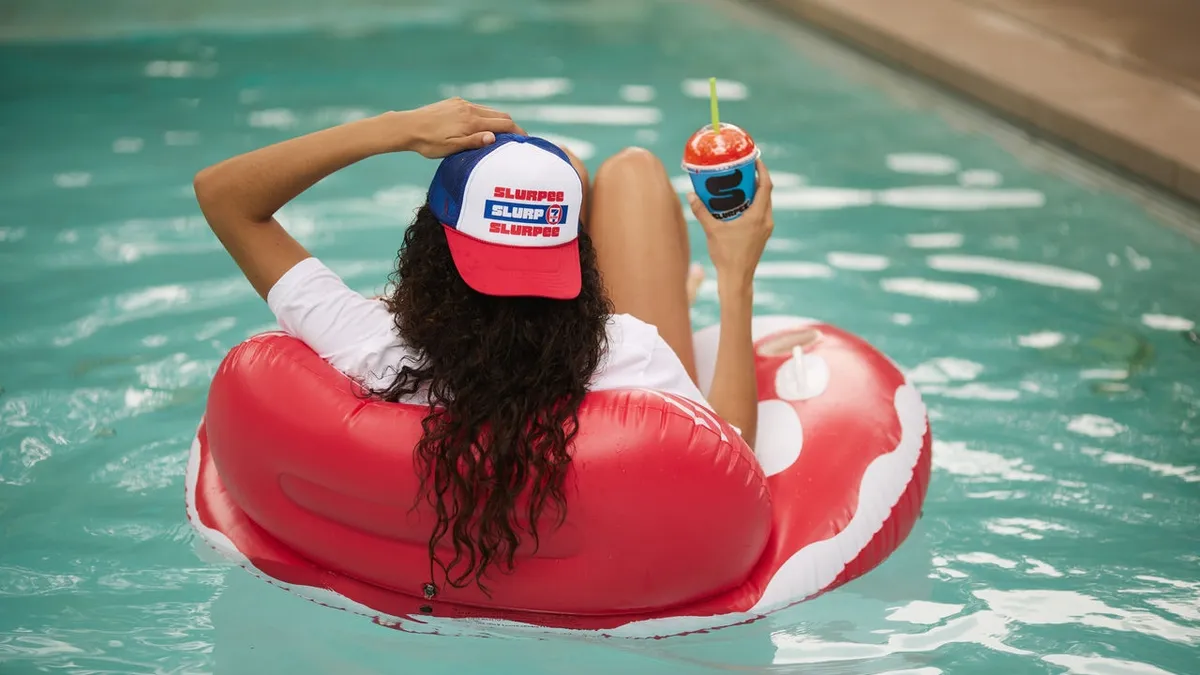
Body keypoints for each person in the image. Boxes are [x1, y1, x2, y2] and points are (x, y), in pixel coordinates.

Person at [193, 97, 774, 591]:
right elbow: (733, 467)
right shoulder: (628, 352)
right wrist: (736, 273)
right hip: (588, 369)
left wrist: (395, 129)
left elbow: (222, 195)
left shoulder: (369, 343)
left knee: (563, 166)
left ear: (428, 249)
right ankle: (682, 279)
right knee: (634, 174)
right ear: (576, 267)